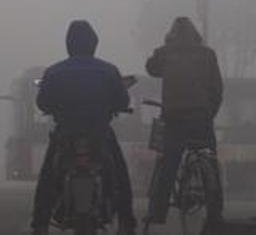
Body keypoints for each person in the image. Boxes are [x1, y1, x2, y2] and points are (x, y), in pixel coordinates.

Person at [30, 20, 135, 235]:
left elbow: (42, 103)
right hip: (99, 132)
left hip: (66, 132)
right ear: (94, 44)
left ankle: (39, 225)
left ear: (69, 44)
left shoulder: (54, 72)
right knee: (119, 173)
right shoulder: (109, 71)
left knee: (48, 176)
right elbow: (123, 102)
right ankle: (127, 223)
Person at [144, 16, 224, 232]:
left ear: (174, 34)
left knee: (168, 164)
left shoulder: (166, 52)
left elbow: (151, 68)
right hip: (201, 118)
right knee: (211, 161)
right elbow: (217, 90)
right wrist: (208, 113)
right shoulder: (208, 55)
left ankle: (158, 211)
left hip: (174, 118)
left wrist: (165, 45)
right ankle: (216, 212)